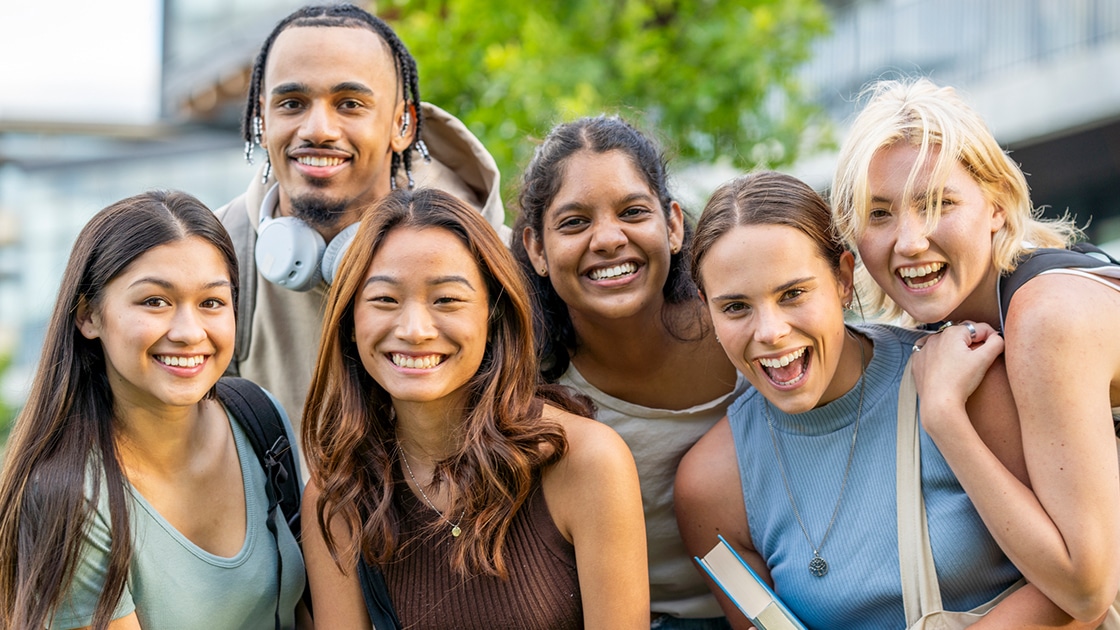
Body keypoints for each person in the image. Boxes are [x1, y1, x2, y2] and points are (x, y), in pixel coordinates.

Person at [675, 171, 1096, 629]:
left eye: (793, 294)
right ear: (706, 306)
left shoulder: (965, 378)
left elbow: (1082, 588)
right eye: (735, 307)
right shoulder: (712, 485)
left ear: (842, 277)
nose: (771, 333)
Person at [831, 77, 1120, 623]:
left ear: (996, 205)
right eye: (880, 213)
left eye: (937, 202)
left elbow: (1086, 587)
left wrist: (944, 415)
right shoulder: (989, 313)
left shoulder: (1045, 315)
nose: (909, 241)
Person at [300, 187, 649, 629]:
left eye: (446, 299)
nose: (414, 329)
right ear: (350, 322)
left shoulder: (584, 461)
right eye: (385, 300)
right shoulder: (339, 497)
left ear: (494, 315)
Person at [0, 191, 305, 630]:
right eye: (154, 302)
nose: (188, 331)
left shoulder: (259, 418)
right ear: (89, 316)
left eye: (211, 303)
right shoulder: (71, 500)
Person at [217, 3, 507, 426]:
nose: (318, 130)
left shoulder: (500, 260)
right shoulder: (214, 255)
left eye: (350, 104)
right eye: (292, 103)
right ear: (261, 117)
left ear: (403, 124)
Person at [511, 115, 747, 628]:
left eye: (633, 212)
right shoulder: (531, 397)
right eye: (574, 222)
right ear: (536, 249)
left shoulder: (749, 331)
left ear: (674, 225)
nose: (608, 239)